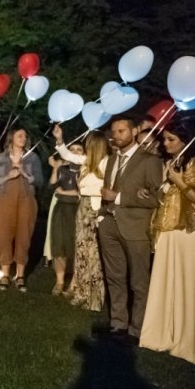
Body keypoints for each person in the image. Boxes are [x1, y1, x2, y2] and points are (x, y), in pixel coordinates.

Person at [140, 121, 195, 363]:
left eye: (171, 139)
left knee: (185, 285)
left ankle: (185, 341)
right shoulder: (170, 163)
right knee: (164, 282)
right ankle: (161, 333)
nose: (165, 143)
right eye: (165, 139)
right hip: (168, 231)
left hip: (189, 233)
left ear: (185, 139)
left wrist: (180, 182)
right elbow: (165, 197)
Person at [96, 115, 163, 344]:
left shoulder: (149, 161)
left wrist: (120, 197)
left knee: (138, 281)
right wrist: (103, 216)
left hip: (135, 228)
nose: (116, 136)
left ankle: (137, 329)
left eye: (122, 131)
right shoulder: (113, 159)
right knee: (114, 276)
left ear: (134, 132)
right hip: (109, 225)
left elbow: (156, 197)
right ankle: (118, 323)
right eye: (114, 132)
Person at [53, 127, 109, 312]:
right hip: (82, 208)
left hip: (95, 210)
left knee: (93, 255)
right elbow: (68, 155)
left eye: (88, 145)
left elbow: (102, 190)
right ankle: (81, 293)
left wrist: (83, 187)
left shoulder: (107, 164)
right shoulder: (86, 162)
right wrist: (60, 140)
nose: (85, 148)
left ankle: (95, 299)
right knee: (82, 253)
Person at [0, 128, 43, 292]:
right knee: (4, 235)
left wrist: (25, 173)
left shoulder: (32, 157)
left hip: (26, 200)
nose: (23, 138)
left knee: (24, 236)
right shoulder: (1, 158)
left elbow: (40, 181)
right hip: (5, 200)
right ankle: (5, 274)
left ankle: (20, 275)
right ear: (11, 138)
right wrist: (9, 176)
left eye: (25, 136)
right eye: (19, 135)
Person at [47, 144, 83, 295]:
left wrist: (64, 193)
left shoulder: (84, 169)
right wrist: (55, 167)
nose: (74, 152)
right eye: (72, 149)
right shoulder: (63, 168)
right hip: (61, 209)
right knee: (59, 245)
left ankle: (74, 282)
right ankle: (60, 281)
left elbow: (79, 192)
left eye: (79, 150)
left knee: (75, 246)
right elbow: (53, 185)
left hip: (76, 210)